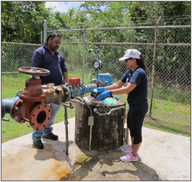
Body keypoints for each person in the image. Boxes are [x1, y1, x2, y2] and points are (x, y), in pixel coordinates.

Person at [92, 49, 148, 162]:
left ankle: (134, 155)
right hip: (133, 104)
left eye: (127, 60)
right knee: (131, 127)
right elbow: (118, 84)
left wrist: (109, 93)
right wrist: (103, 88)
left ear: (134, 60)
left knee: (136, 130)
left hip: (139, 106)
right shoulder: (130, 71)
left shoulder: (139, 72)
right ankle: (132, 147)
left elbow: (127, 88)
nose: (125, 62)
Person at [31, 32, 68, 149]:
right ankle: (36, 138)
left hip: (57, 88)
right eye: (56, 42)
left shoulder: (58, 54)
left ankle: (47, 132)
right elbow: (35, 70)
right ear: (49, 40)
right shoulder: (39, 52)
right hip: (44, 89)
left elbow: (64, 68)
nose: (58, 45)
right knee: (41, 112)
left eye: (59, 43)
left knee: (53, 110)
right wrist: (40, 87)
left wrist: (65, 80)